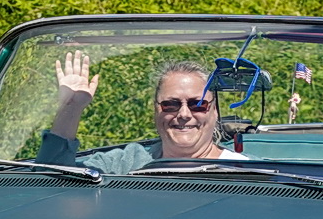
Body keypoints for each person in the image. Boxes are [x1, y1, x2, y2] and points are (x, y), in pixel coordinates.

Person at [35, 53, 248, 172]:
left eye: (197, 104)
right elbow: (50, 179)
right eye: (171, 104)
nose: (184, 114)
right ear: (156, 110)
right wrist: (71, 106)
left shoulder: (249, 172)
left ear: (215, 111)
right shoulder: (127, 163)